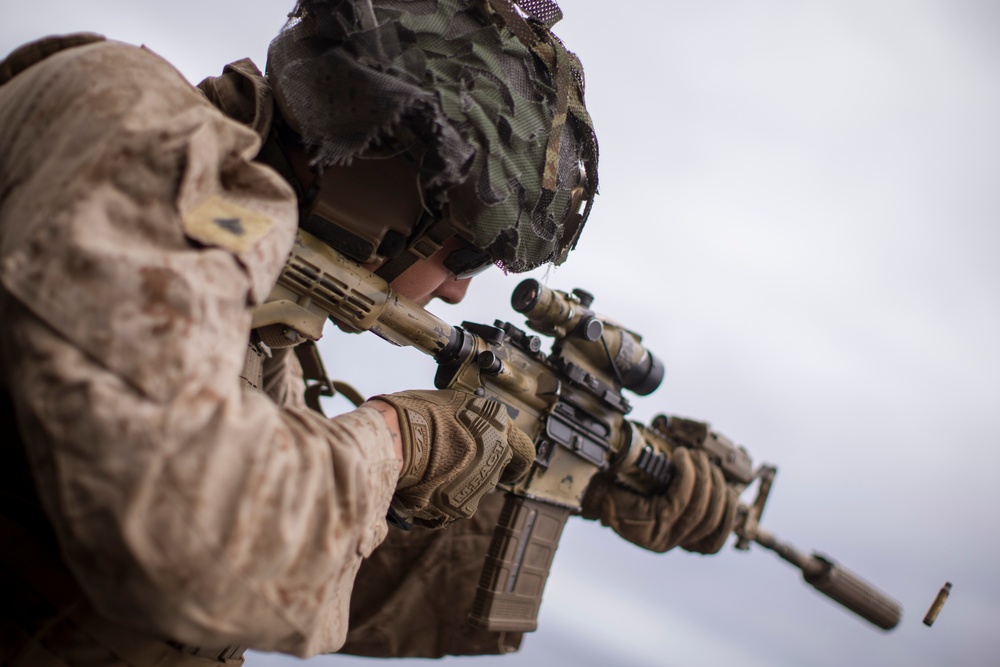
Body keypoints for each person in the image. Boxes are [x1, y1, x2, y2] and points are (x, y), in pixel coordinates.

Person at [0, 1, 737, 665]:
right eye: (468, 250)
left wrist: (558, 486)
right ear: (390, 179)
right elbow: (189, 542)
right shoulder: (128, 120)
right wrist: (399, 439)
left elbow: (304, 586)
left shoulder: (268, 342)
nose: (455, 288)